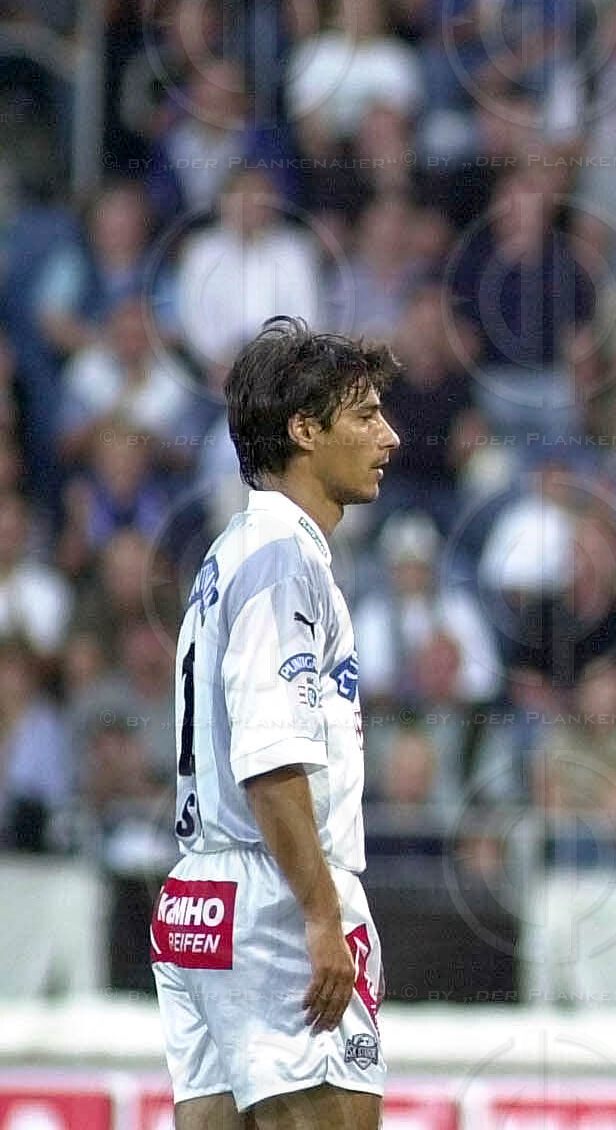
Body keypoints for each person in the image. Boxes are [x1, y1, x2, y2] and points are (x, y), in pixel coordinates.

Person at [152, 317, 402, 1130]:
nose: (389, 437)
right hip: (276, 900)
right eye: (365, 415)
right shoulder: (283, 559)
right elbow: (270, 756)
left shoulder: (230, 552)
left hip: (202, 895)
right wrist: (322, 913)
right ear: (304, 429)